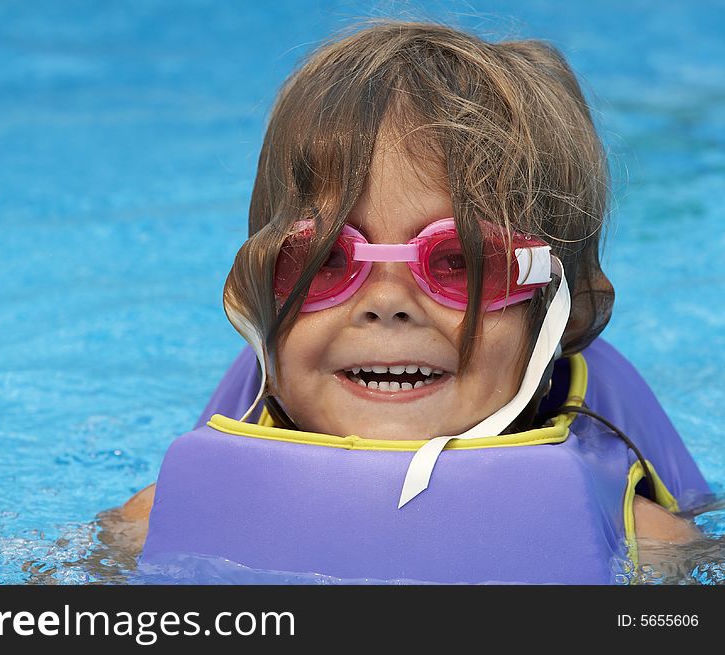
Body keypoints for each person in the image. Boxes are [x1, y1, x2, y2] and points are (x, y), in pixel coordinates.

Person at [118, 21, 705, 580]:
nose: (387, 303)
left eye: (462, 262)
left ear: (564, 313)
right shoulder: (152, 525)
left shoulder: (642, 548)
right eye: (326, 258)